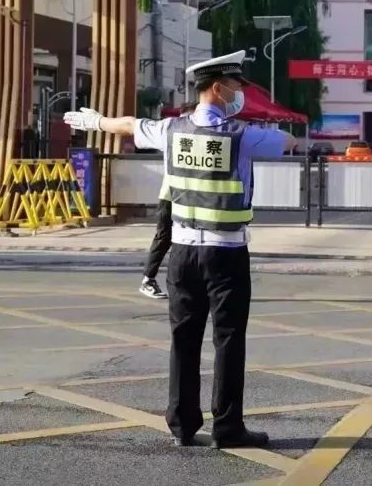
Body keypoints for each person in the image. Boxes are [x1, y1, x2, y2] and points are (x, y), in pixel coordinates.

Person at [63, 51, 295, 450]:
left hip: (182, 253)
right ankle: (228, 428)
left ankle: (183, 426)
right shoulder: (241, 135)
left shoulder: (171, 129)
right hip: (226, 253)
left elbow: (129, 125)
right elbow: (287, 141)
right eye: (235, 86)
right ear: (218, 88)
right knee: (228, 340)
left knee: (184, 340)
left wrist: (96, 122)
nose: (239, 93)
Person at [140, 102, 197, 300]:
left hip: (189, 197)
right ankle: (148, 279)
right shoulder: (174, 134)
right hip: (170, 196)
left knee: (186, 241)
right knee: (164, 238)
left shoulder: (197, 136)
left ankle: (185, 284)